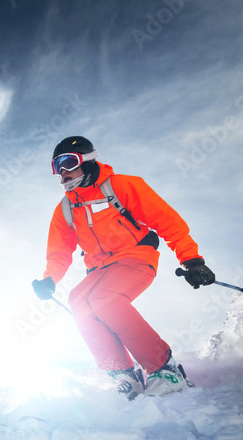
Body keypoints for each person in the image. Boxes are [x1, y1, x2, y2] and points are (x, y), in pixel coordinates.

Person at [32, 136, 215, 398]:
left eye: (68, 162)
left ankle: (166, 369)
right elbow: (59, 252)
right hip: (99, 270)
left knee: (104, 299)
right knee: (79, 301)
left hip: (136, 258)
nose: (62, 171)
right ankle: (124, 376)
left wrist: (192, 260)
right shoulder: (65, 209)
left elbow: (168, 221)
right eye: (56, 166)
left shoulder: (121, 186)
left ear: (87, 160)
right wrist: (49, 279)